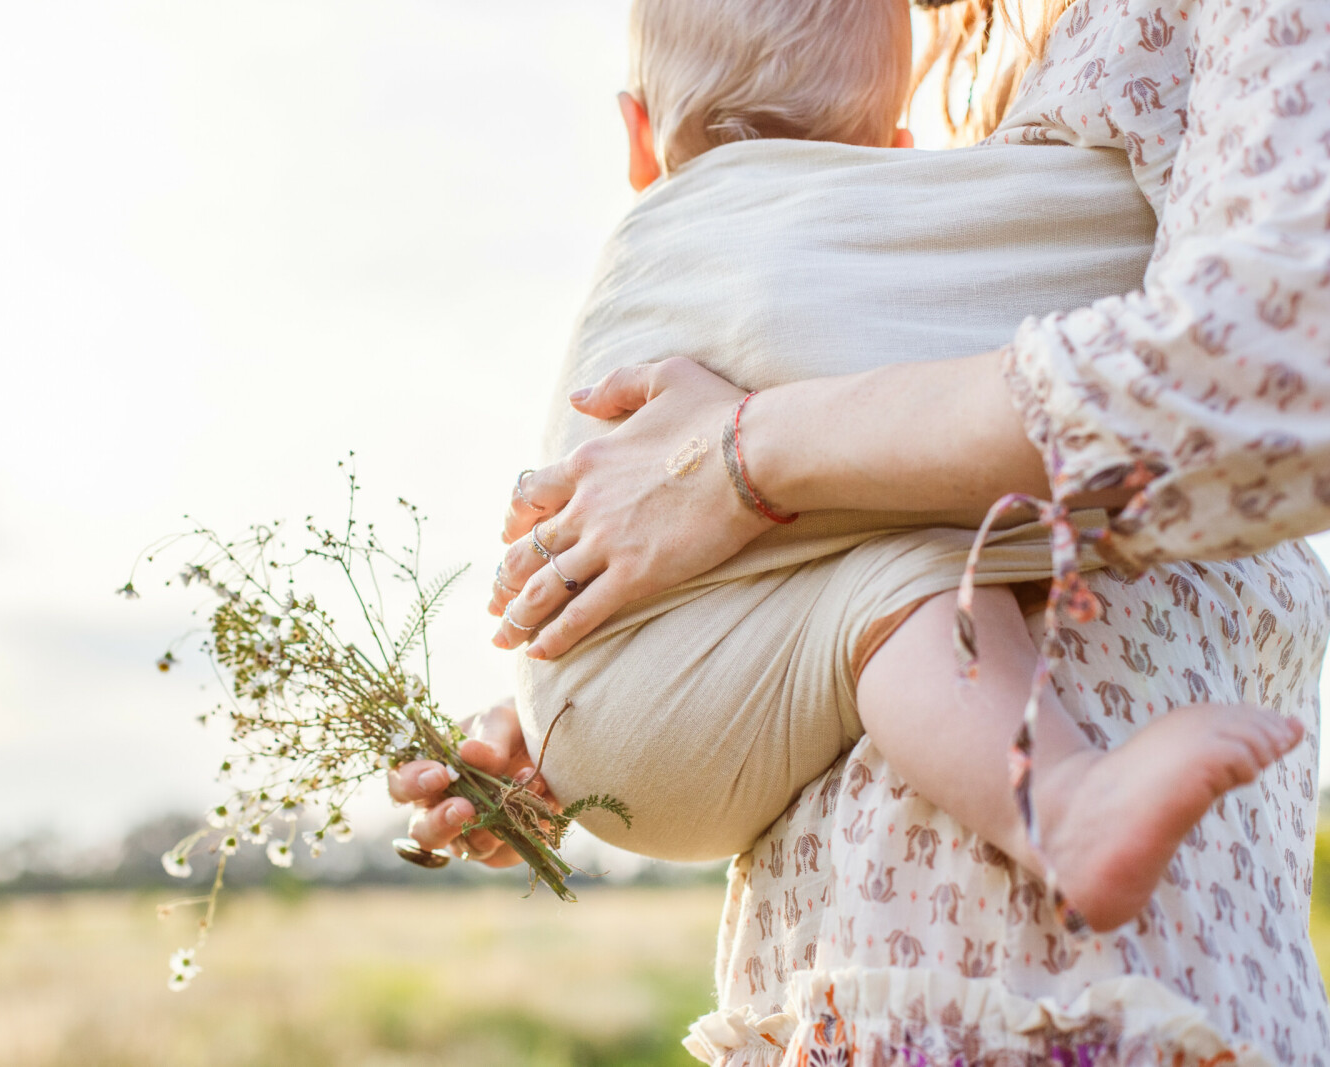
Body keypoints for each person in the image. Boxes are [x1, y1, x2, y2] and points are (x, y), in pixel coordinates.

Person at [395, 0, 1330, 1060]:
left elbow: (1276, 349)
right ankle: (1059, 800)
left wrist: (732, 472)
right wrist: (618, 664)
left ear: (634, 135)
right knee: (900, 569)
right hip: (850, 963)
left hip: (1052, 985)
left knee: (898, 563)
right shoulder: (955, 119)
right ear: (890, 148)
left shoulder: (672, 253)